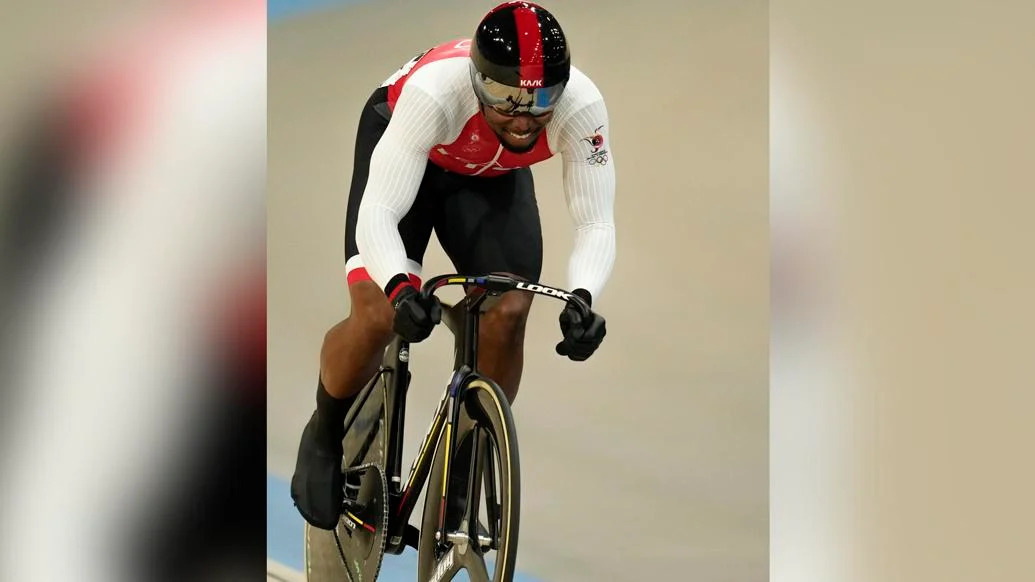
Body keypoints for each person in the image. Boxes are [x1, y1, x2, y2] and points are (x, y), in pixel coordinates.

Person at [291, 0, 616, 530]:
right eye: (506, 98)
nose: (523, 116)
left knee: (510, 309)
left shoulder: (581, 107)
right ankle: (325, 431)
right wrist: (399, 287)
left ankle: (466, 456)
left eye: (541, 100)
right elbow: (380, 211)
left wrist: (584, 296)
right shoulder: (435, 93)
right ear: (477, 80)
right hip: (412, 157)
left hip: (487, 177)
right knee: (375, 312)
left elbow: (596, 222)